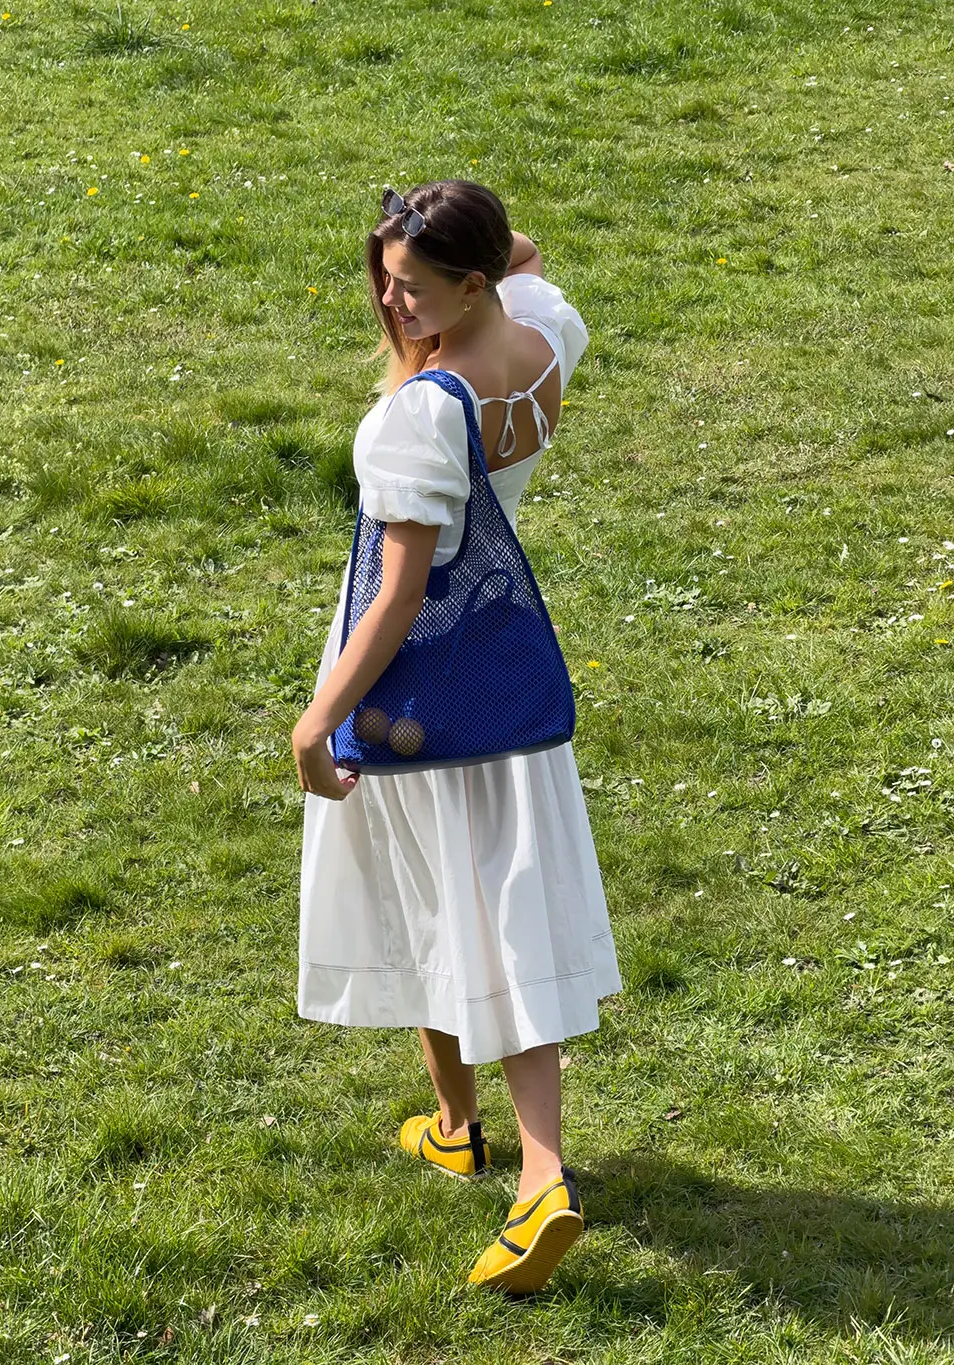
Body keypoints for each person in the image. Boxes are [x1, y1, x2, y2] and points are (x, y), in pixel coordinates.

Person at [291, 179, 621, 1294]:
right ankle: (487, 1143)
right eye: (388, 281)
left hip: (410, 692)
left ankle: (502, 1154)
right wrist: (432, 232)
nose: (391, 303)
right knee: (490, 915)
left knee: (434, 908)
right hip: (504, 675)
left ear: (468, 283)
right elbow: (527, 252)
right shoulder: (544, 333)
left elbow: (396, 594)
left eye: (414, 286)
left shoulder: (418, 415)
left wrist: (319, 715)